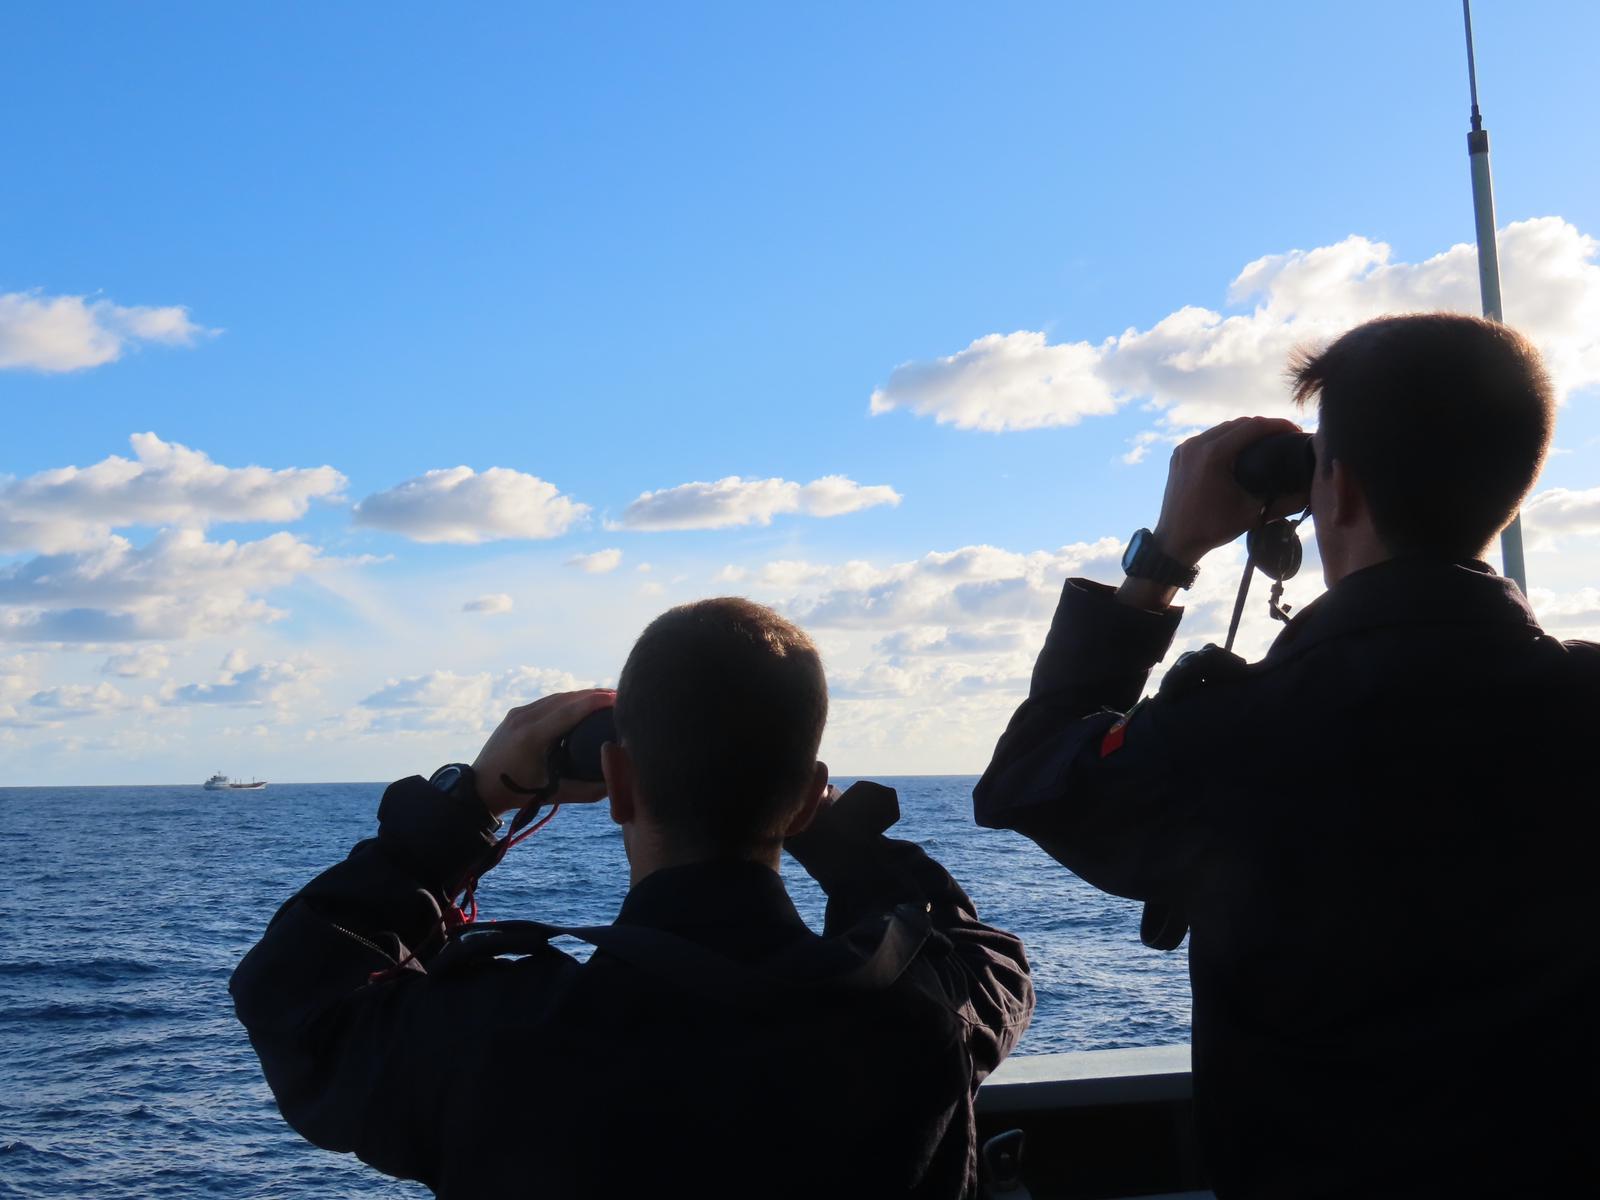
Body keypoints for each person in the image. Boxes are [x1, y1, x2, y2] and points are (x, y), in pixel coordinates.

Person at [973, 313, 1600, 1197]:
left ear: (1333, 490)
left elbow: (1030, 778)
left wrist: (1165, 557)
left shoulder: (1229, 737)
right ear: (1515, 487)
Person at [233, 597, 1033, 1198]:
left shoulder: (484, 1037)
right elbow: (980, 951)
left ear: (617, 782)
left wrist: (471, 801)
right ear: (806, 797)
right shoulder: (924, 1009)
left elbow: (293, 994)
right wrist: (820, 823)